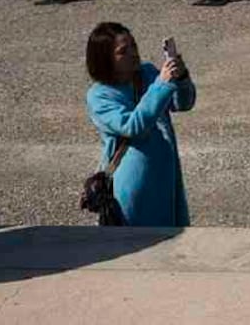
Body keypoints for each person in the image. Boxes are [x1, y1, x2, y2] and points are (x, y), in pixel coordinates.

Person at [84, 22, 196, 227]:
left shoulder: (147, 73)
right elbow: (132, 126)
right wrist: (162, 84)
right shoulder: (99, 96)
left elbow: (183, 103)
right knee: (140, 244)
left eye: (133, 46)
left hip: (165, 175)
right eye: (123, 51)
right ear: (105, 60)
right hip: (134, 179)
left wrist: (181, 78)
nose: (133, 54)